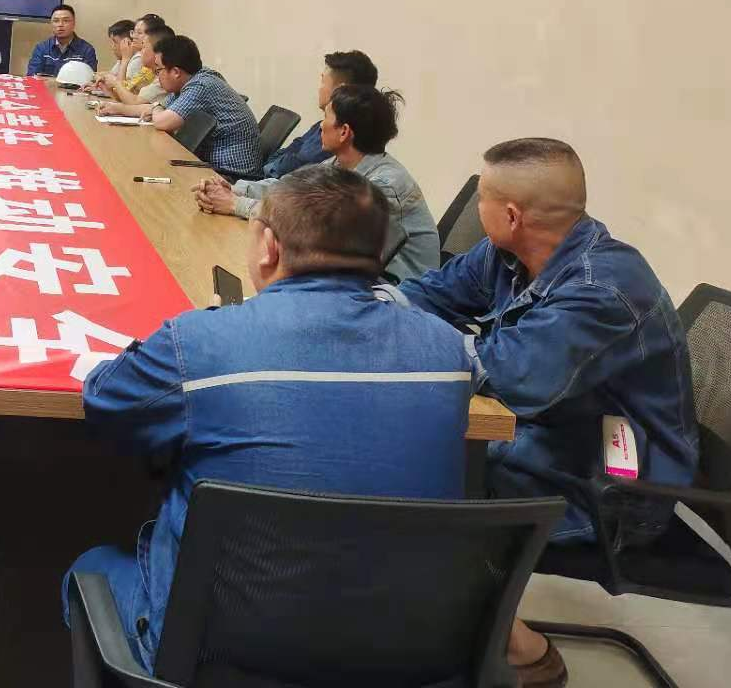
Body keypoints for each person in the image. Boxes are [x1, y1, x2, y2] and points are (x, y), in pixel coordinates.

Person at [64, 166, 473, 673]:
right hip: (406, 648)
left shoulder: (199, 343)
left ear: (269, 248)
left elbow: (104, 399)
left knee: (90, 568)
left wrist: (205, 340)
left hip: (221, 652)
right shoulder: (446, 349)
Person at [399, 137, 699, 686]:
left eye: (483, 197)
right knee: (417, 451)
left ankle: (522, 650)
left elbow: (507, 375)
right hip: (555, 438)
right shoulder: (507, 254)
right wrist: (374, 308)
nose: (477, 205)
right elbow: (432, 293)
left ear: (511, 215)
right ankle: (463, 618)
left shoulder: (603, 289)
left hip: (614, 491)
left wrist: (389, 337)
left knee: (417, 473)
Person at [194, 84, 439, 282]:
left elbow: (313, 229)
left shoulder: (383, 187)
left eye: (326, 116)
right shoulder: (339, 163)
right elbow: (289, 189)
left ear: (344, 132)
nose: (320, 125)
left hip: (397, 292)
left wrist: (235, 204)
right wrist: (234, 189)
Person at [147, 34, 261, 177]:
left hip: (231, 174)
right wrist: (122, 108)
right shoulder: (190, 80)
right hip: (212, 166)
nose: (157, 76)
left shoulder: (201, 85)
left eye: (158, 70)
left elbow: (162, 122)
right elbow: (159, 111)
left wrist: (156, 107)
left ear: (176, 72)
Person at [262, 50, 380, 180]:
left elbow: (280, 172)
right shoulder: (323, 127)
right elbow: (282, 156)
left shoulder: (335, 141)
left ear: (340, 90)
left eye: (323, 81)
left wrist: (273, 166)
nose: (319, 88)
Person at [96, 23, 175, 115]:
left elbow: (133, 101)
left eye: (144, 47)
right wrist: (108, 89)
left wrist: (115, 82)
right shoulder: (147, 70)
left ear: (157, 53)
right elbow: (124, 96)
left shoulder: (162, 77)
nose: (141, 52)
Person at [26, 4, 99, 77]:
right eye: (56, 21)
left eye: (66, 21)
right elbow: (32, 76)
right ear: (51, 24)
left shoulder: (87, 50)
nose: (60, 24)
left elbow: (89, 79)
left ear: (74, 23)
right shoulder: (42, 48)